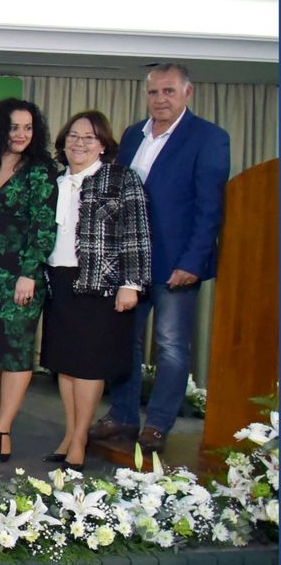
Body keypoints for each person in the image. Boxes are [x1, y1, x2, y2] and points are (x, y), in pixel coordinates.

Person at [92, 63, 230, 453]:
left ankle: (157, 424)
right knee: (123, 341)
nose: (160, 99)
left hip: (177, 263)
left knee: (170, 345)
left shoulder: (209, 138)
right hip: (130, 263)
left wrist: (193, 262)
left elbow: (210, 208)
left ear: (188, 93)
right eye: (154, 92)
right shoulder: (133, 134)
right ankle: (123, 415)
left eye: (169, 91)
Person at [43, 112, 150, 470]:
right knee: (65, 365)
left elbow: (136, 234)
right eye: (73, 136)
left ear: (102, 144)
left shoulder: (121, 178)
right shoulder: (56, 180)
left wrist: (131, 284)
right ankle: (70, 434)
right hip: (58, 281)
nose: (79, 143)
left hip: (100, 285)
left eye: (89, 137)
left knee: (88, 366)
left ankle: (79, 441)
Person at [0, 98, 56, 462]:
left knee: (16, 353)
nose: (21, 134)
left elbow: (44, 226)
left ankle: (4, 427)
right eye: (14, 127)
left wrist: (29, 273)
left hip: (21, 277)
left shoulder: (41, 171)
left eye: (28, 128)